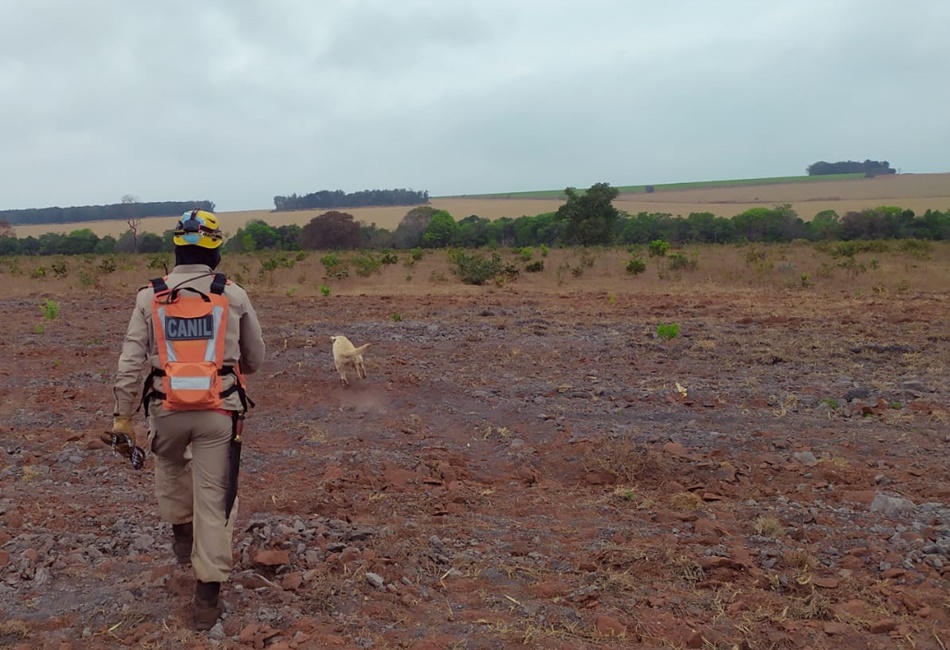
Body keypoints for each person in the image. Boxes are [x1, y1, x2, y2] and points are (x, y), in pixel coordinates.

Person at [110, 209, 265, 631]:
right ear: (215, 252)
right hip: (219, 413)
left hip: (166, 410)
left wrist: (122, 417)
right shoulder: (233, 295)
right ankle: (207, 599)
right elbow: (255, 358)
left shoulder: (150, 297)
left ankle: (182, 534)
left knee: (171, 465)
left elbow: (129, 363)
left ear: (177, 248)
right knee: (215, 500)